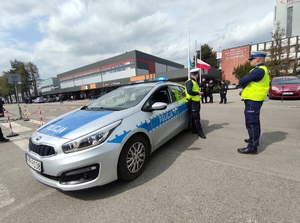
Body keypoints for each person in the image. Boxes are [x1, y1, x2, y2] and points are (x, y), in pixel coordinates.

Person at [237, 51, 270, 154]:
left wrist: (242, 82)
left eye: (251, 59)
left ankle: (252, 146)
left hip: (253, 100)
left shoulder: (259, 70)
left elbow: (242, 81)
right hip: (254, 100)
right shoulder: (257, 70)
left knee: (251, 123)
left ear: (258, 59)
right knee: (254, 122)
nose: (250, 61)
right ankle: (254, 139)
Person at [185, 68, 206, 139]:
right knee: (196, 117)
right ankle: (200, 132)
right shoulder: (190, 82)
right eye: (197, 74)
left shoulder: (194, 82)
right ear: (196, 74)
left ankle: (194, 130)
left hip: (196, 102)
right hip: (193, 102)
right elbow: (189, 91)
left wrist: (199, 92)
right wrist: (198, 93)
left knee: (194, 117)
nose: (198, 75)